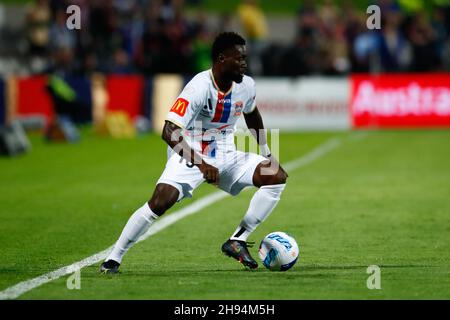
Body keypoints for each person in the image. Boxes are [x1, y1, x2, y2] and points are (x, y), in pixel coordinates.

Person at [100, 32, 288, 274]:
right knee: (162, 199)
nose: (244, 63)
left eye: (245, 58)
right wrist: (200, 164)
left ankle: (237, 240)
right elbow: (168, 131)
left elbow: (252, 114)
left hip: (225, 152)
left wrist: (266, 152)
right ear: (221, 59)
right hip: (190, 149)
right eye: (239, 58)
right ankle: (114, 258)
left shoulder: (247, 86)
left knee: (276, 176)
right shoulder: (199, 87)